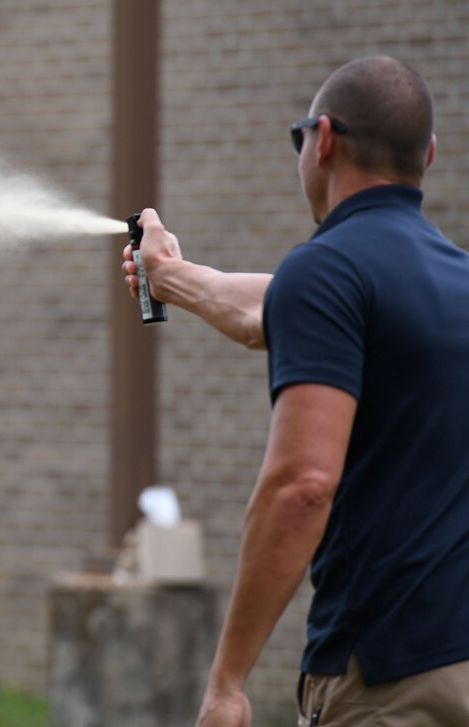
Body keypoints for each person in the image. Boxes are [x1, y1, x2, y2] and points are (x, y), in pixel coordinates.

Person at [123, 56, 469, 726]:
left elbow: (303, 484)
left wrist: (227, 679)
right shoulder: (454, 280)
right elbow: (264, 311)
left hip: (389, 680)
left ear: (325, 139)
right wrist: (169, 275)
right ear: (426, 154)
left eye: (299, 138)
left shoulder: (328, 270)